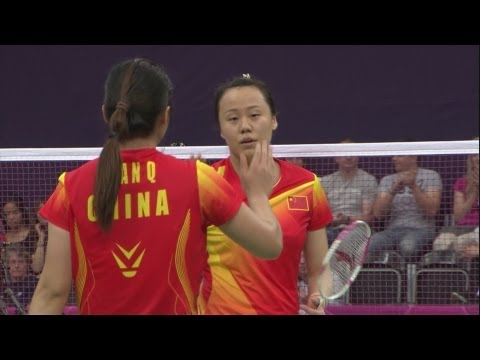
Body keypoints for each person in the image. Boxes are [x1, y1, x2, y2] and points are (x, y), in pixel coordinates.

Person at [28, 58, 283, 315]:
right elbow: (269, 245)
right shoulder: (198, 180)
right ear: (165, 117)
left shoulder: (69, 188)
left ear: (106, 114)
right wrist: (257, 194)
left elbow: (51, 293)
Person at [198, 74, 333, 315]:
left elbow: (319, 270)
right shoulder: (207, 184)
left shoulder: (306, 185)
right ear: (220, 129)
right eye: (232, 118)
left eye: (254, 115)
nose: (245, 126)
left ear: (273, 120)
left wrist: (319, 298)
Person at [368, 149, 442, 262]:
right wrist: (393, 190)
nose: (394, 158)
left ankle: (407, 279)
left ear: (413, 157)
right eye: (394, 155)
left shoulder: (430, 176)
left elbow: (431, 210)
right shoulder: (387, 180)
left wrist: (413, 186)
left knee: (408, 247)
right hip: (392, 231)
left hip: (422, 230)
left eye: (400, 155)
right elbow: (378, 213)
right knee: (370, 245)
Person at [321, 138, 378, 245]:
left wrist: (347, 219)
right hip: (330, 229)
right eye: (344, 153)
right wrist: (332, 220)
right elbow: (321, 214)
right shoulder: (325, 182)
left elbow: (368, 216)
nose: (349, 157)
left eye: (353, 153)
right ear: (336, 158)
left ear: (358, 157)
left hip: (358, 231)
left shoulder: (368, 180)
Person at [432, 145, 479, 257]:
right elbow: (458, 216)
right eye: (474, 155)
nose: (477, 158)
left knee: (461, 243)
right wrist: (475, 189)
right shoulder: (462, 182)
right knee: (440, 244)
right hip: (461, 228)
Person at [1, 195, 45, 274]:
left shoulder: (34, 234)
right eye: (7, 213)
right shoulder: (3, 238)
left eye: (15, 212)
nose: (11, 217)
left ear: (22, 212)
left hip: (31, 281)